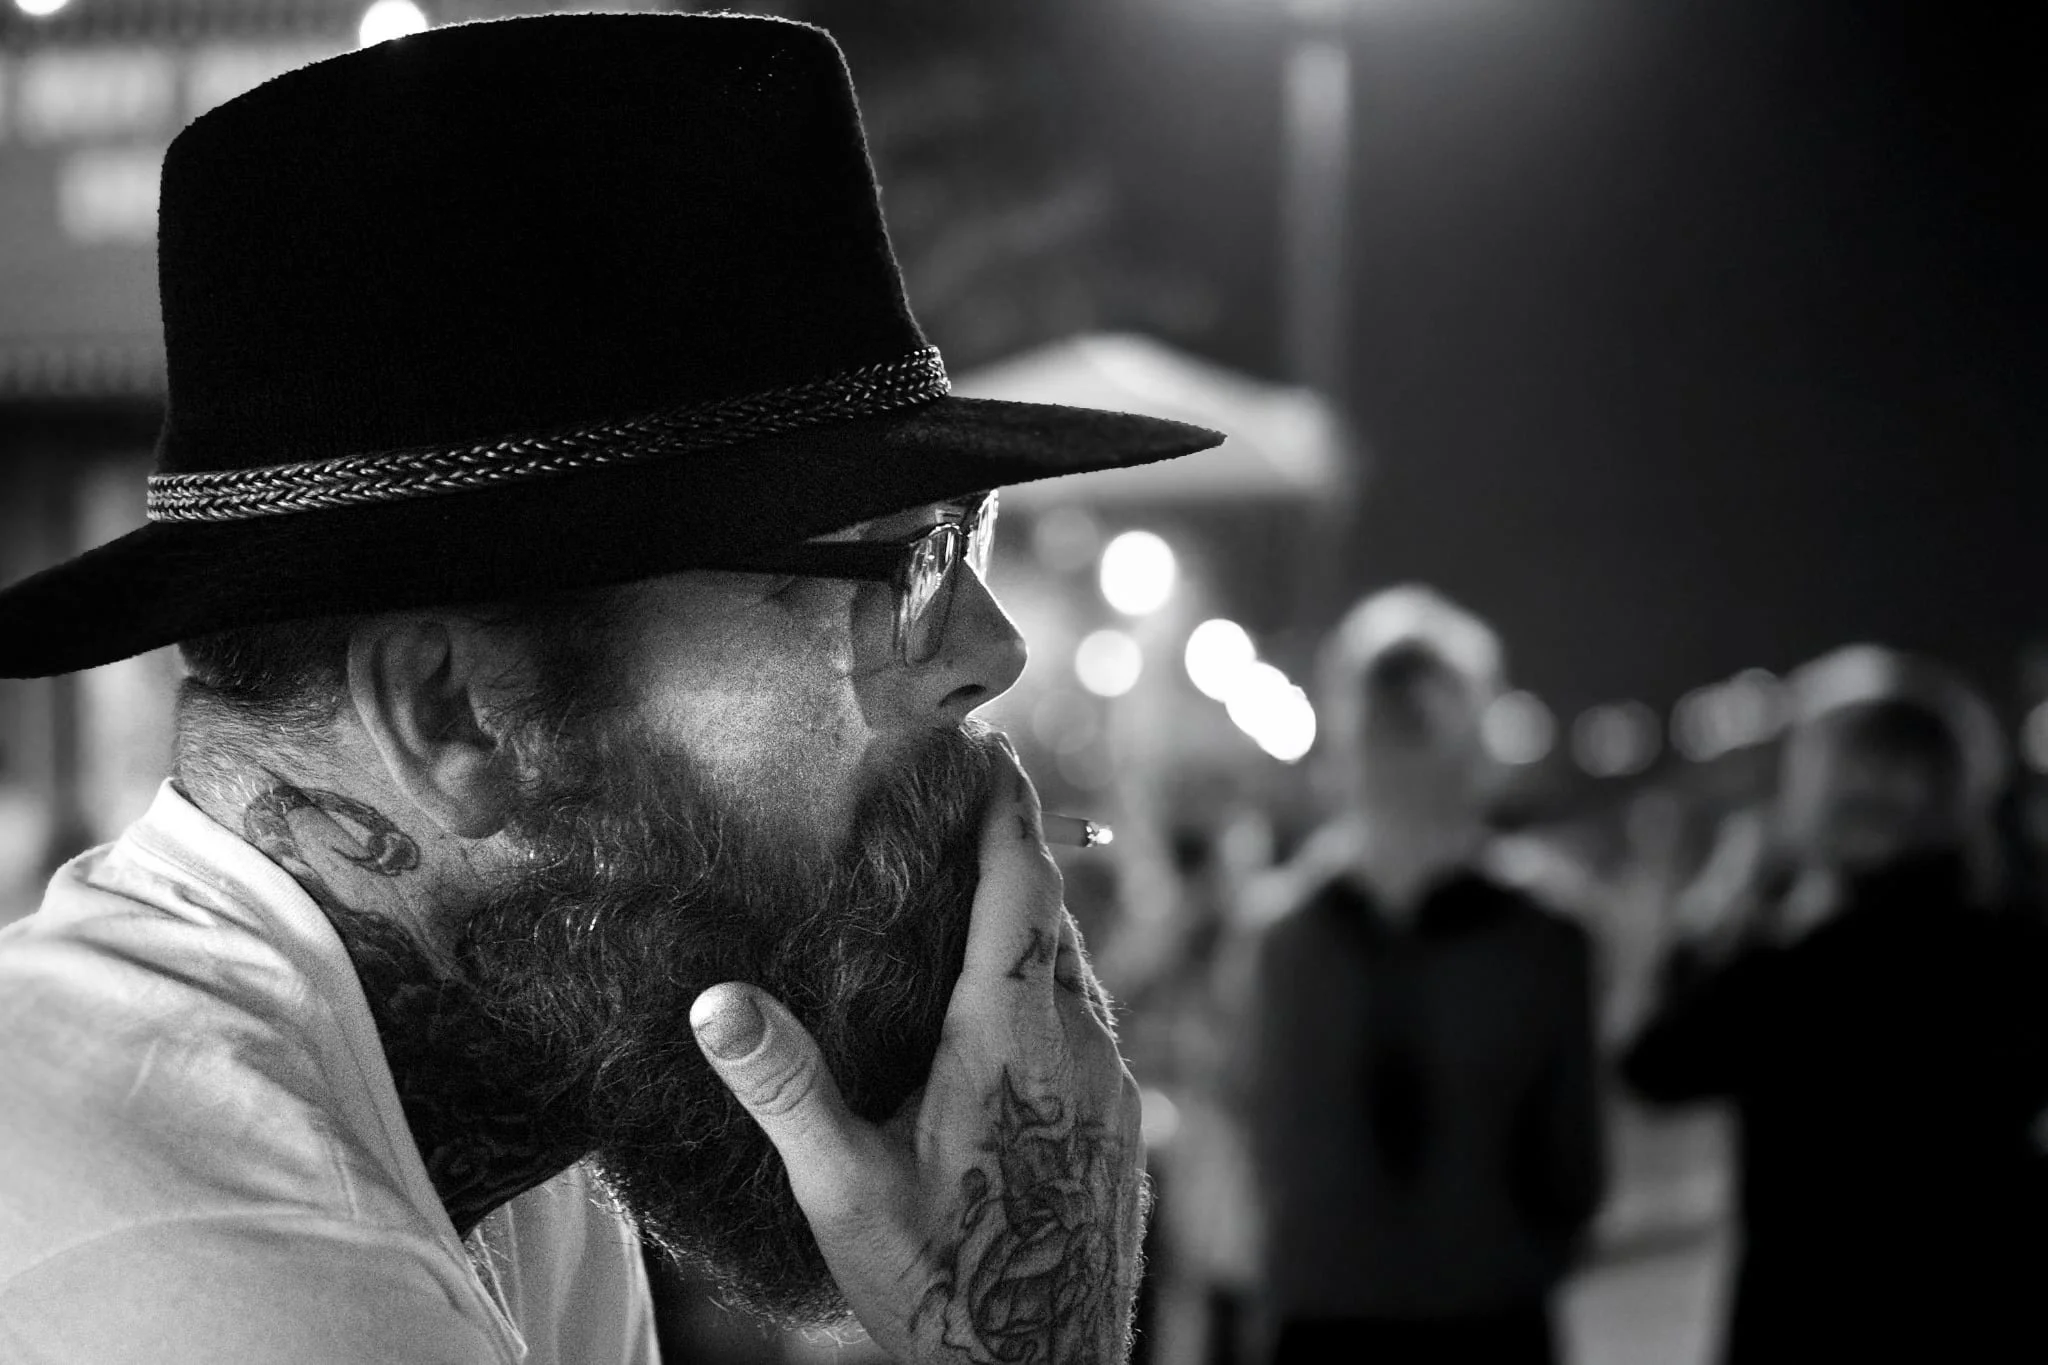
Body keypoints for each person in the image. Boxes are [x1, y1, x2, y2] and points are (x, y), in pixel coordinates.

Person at [0, 15, 1224, 1364]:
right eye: (910, 564)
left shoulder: (520, 1105)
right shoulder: (208, 1280)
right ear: (460, 715)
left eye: (968, 535)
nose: (994, 654)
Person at [1620, 646, 2048, 1363]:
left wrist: (1723, 906)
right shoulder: (2017, 950)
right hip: (1992, 1309)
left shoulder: (1787, 971)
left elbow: (1651, 1064)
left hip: (1809, 1318)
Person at [1245, 586, 1604, 1365]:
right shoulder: (1286, 934)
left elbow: (1574, 1163)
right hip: (1352, 1308)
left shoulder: (1545, 931)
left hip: (1475, 1308)